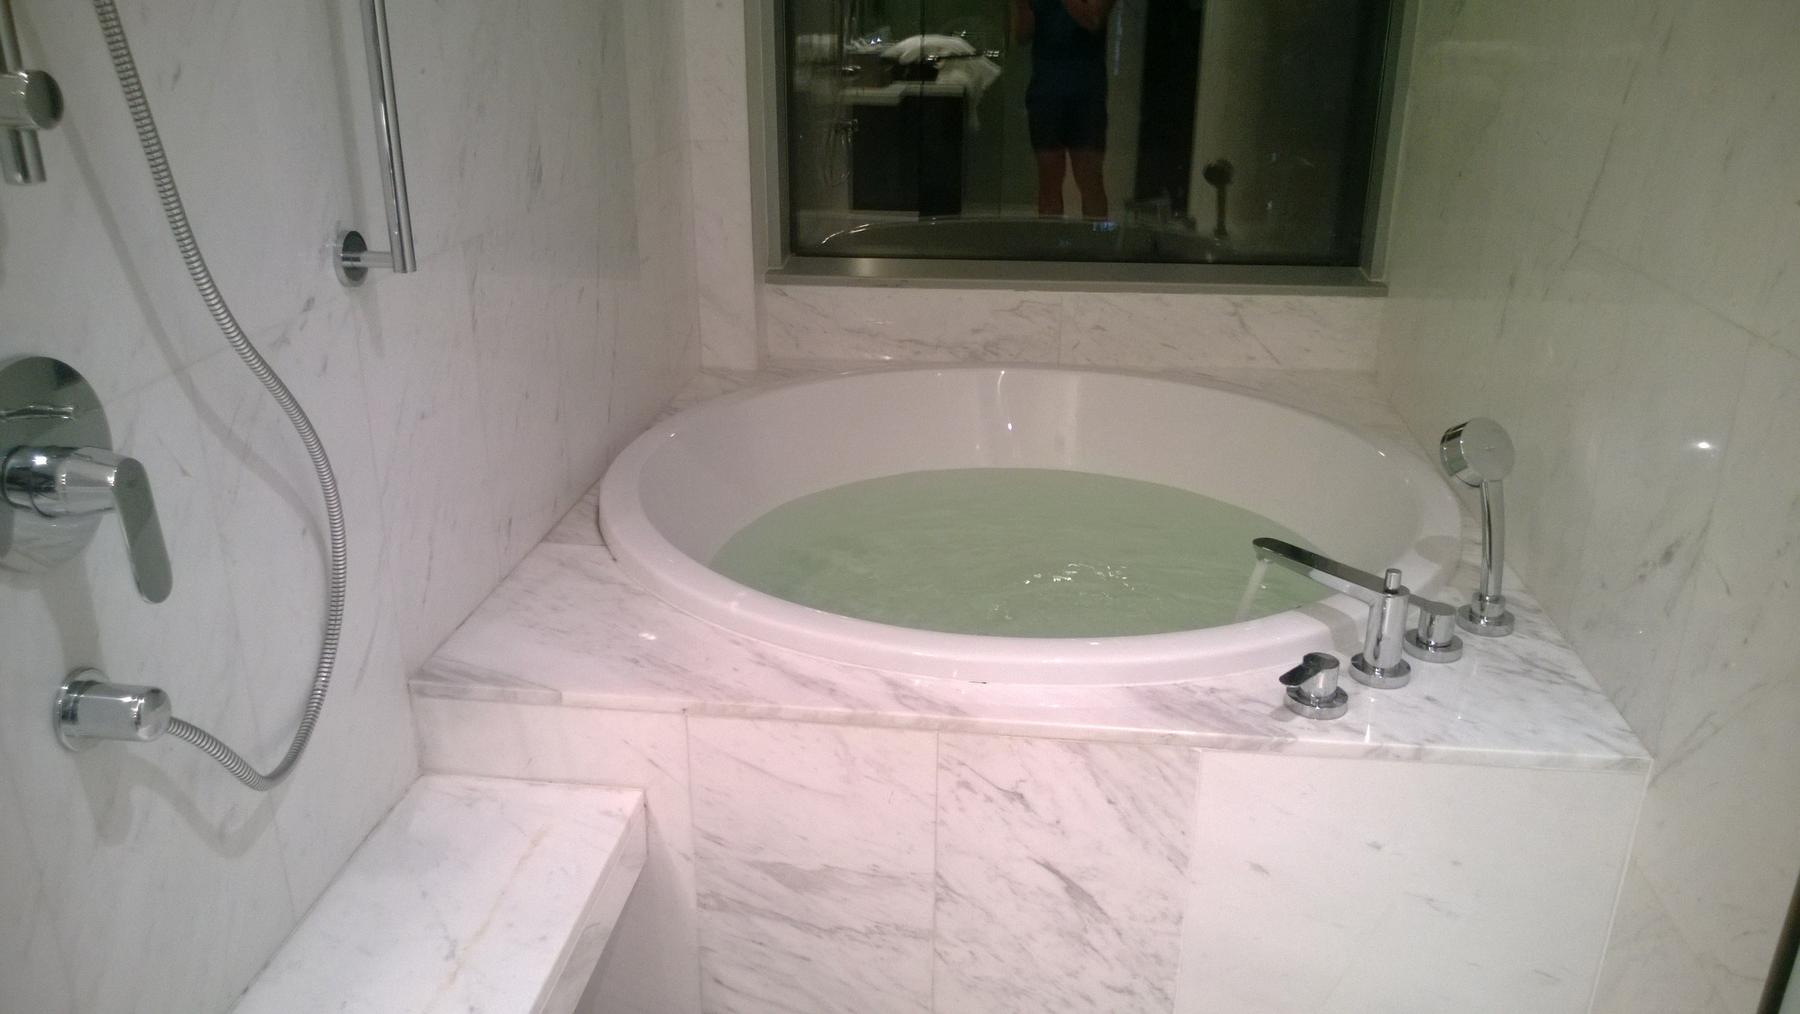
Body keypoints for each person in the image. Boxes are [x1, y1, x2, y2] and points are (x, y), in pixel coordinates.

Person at [1012, 0, 1115, 219]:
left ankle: (1100, 246)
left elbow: (1092, 19)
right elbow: (1021, 36)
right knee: (1048, 178)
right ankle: (1050, 248)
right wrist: (1022, 7)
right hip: (1045, 90)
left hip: (1086, 92)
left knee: (1089, 178)